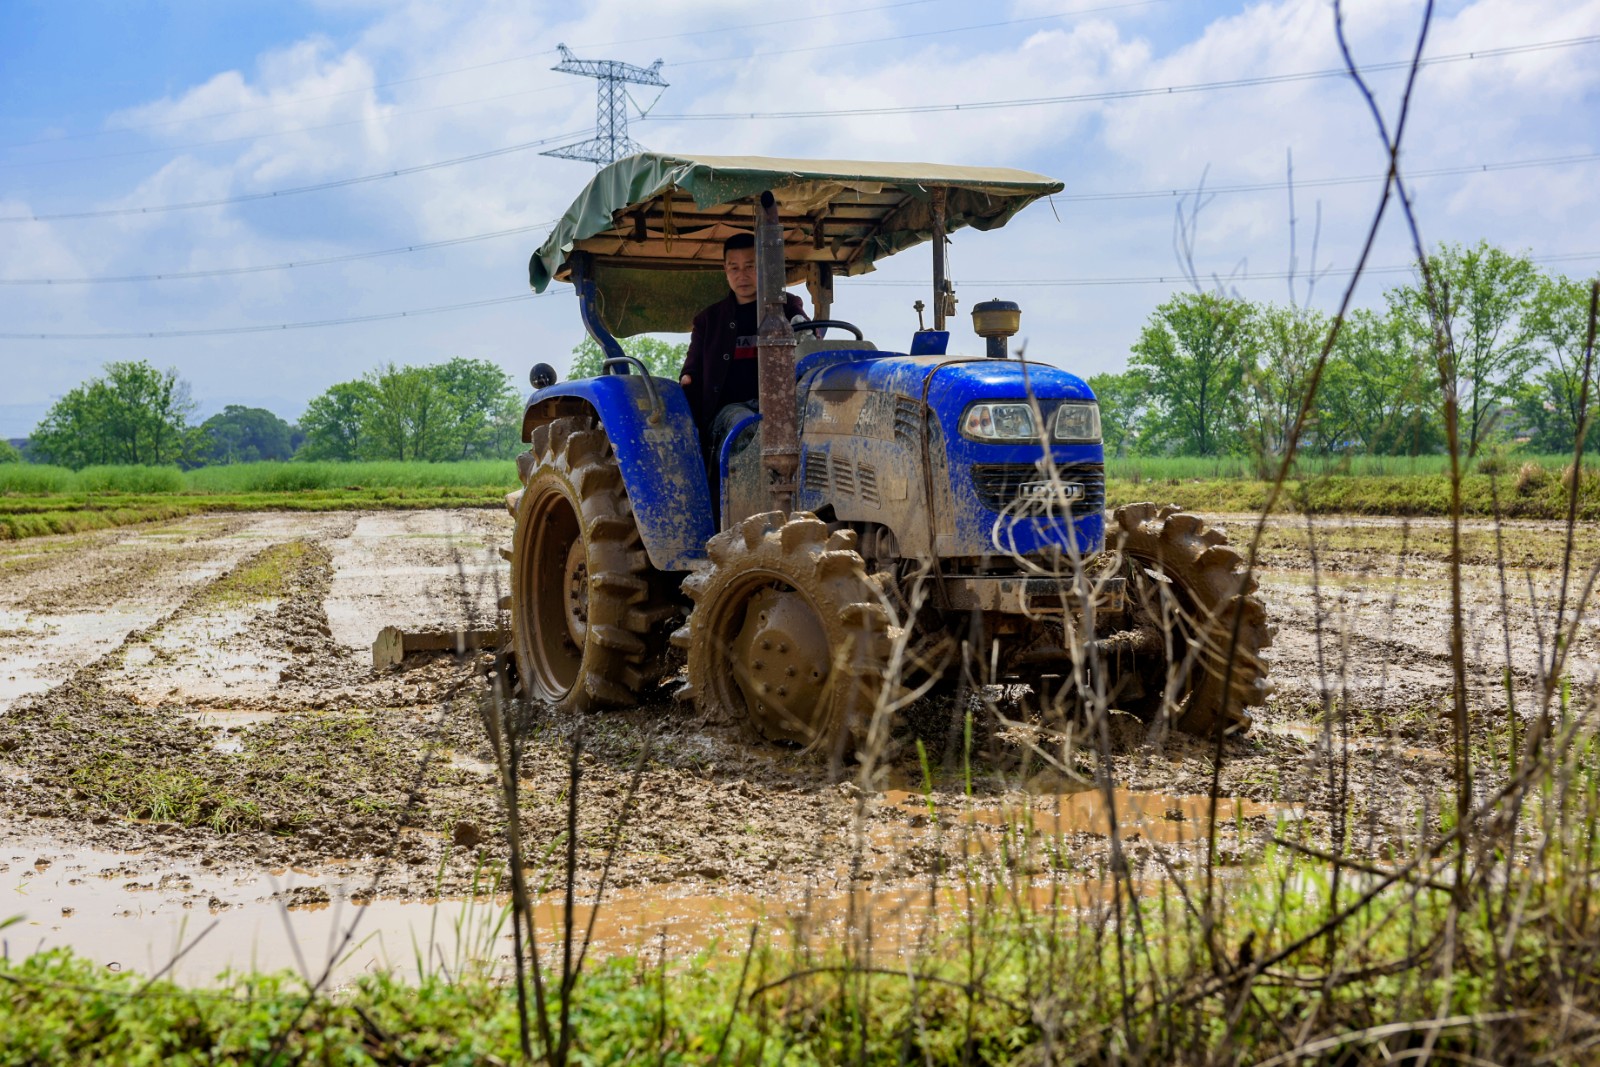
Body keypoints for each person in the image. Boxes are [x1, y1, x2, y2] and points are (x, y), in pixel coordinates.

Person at [677, 232, 806, 461]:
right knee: (746, 427)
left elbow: (806, 333)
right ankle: (747, 495)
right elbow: (691, 372)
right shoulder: (708, 321)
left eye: (750, 266)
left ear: (764, 268)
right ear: (725, 271)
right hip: (729, 411)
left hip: (782, 406)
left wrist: (801, 325)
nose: (742, 275)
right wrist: (687, 380)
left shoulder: (786, 308)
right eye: (734, 268)